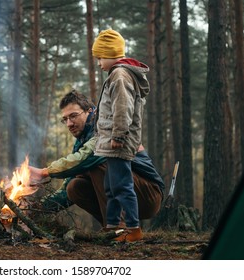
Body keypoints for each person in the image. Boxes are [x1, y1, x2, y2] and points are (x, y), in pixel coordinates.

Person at [29, 90, 164, 235]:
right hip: (127, 196)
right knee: (74, 187)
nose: (69, 123)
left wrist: (44, 172)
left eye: (73, 116)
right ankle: (111, 229)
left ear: (90, 111)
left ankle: (120, 227)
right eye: (65, 119)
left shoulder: (105, 126)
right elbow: (65, 190)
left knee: (97, 163)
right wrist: (34, 208)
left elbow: (87, 158)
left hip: (148, 195)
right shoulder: (82, 140)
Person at [92, 28, 151, 242]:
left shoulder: (119, 75)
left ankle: (133, 230)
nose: (99, 63)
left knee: (122, 186)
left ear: (110, 54)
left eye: (100, 58)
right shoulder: (117, 74)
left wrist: (118, 136)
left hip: (118, 142)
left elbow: (122, 108)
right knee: (111, 186)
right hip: (112, 141)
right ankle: (113, 226)